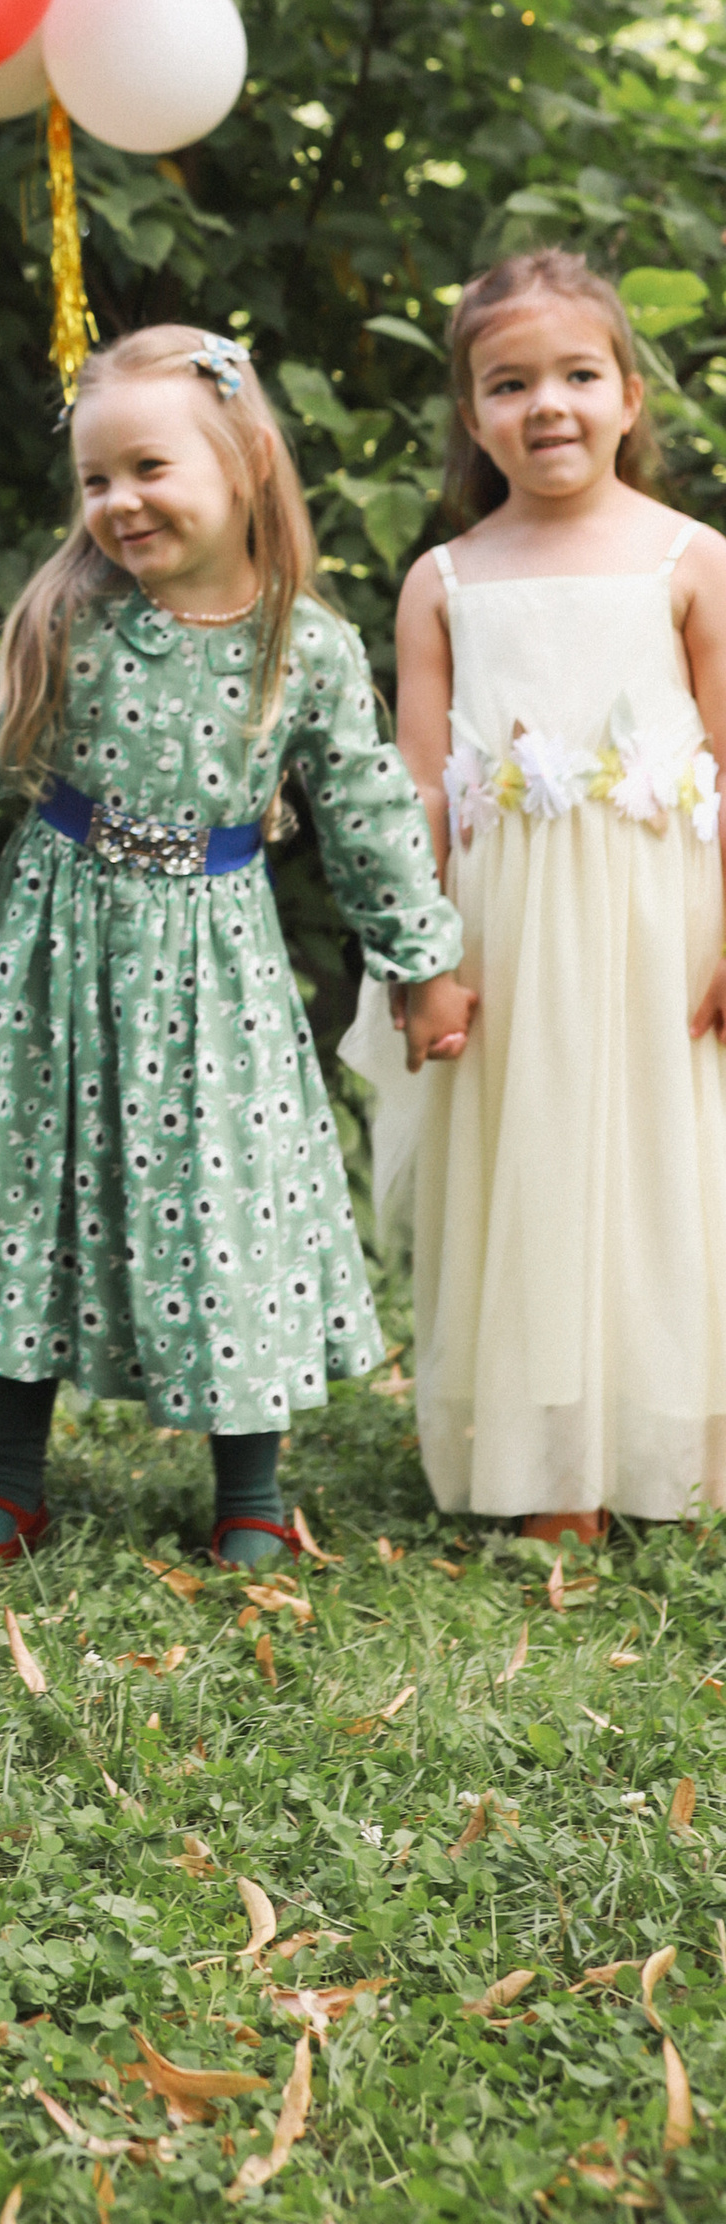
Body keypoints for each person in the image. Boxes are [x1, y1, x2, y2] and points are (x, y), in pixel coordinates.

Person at [0, 325, 468, 1576]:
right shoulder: (68, 621)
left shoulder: (310, 648)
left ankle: (248, 1492)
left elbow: (371, 821)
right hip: (54, 950)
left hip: (215, 966)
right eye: (95, 479)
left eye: (148, 468)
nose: (118, 501)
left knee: (225, 1202)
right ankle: (8, 1482)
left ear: (244, 462)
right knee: (32, 1189)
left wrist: (421, 960)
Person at [388, 248, 726, 1543]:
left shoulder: (691, 561)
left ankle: (669, 1446)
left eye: (579, 374)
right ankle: (552, 1470)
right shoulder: (447, 580)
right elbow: (422, 792)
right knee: (527, 1173)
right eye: (509, 383)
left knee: (659, 1172)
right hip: (510, 935)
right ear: (474, 417)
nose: (549, 406)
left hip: (659, 931)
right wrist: (425, 962)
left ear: (630, 396)